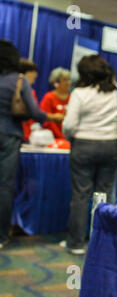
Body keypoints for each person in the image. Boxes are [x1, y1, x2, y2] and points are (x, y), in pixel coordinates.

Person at [0, 40, 64, 249]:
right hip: (9, 136)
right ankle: (1, 235)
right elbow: (36, 113)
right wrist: (53, 116)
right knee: (5, 186)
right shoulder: (18, 81)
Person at [61, 55, 117, 255]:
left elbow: (69, 125)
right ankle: (102, 243)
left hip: (84, 146)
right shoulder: (116, 90)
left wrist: (73, 135)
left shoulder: (79, 93)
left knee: (80, 195)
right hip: (111, 146)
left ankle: (76, 243)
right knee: (104, 196)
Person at [40, 67, 71, 139]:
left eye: (69, 79)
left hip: (69, 138)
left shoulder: (72, 98)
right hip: (52, 138)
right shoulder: (49, 97)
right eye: (65, 80)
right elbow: (46, 120)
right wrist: (61, 137)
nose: (68, 83)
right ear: (56, 83)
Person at [18, 58, 39, 141]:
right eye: (33, 73)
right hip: (19, 134)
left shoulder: (31, 92)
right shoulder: (18, 91)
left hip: (27, 135)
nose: (36, 75)